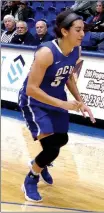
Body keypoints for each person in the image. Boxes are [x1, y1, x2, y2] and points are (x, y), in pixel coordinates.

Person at [18, 10, 96, 202]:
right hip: (35, 101)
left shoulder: (76, 50)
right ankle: (31, 178)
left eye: (83, 30)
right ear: (64, 31)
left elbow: (68, 75)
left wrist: (80, 102)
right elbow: (31, 89)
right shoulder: (46, 52)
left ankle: (39, 163)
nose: (82, 34)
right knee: (51, 148)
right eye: (78, 30)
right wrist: (63, 103)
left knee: (62, 139)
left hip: (56, 98)